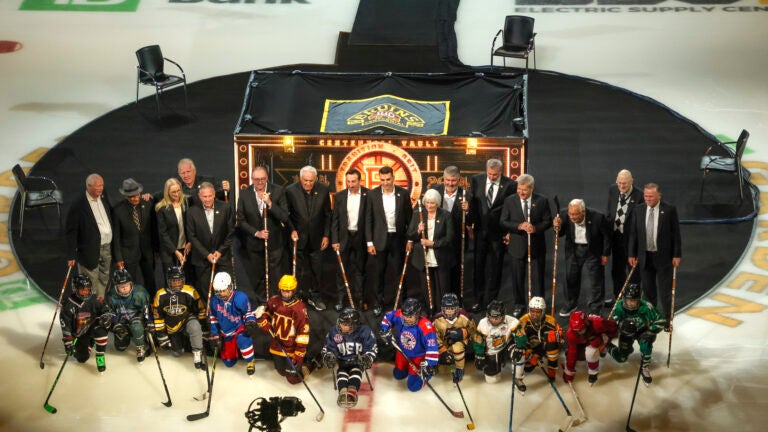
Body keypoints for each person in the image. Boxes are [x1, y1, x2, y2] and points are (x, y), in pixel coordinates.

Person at [627, 183, 681, 330]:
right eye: (646, 196)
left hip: (664, 258)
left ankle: (667, 321)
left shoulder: (669, 210)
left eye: (651, 196)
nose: (648, 199)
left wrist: (677, 254)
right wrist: (631, 253)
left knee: (665, 292)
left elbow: (676, 234)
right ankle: (651, 319)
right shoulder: (638, 210)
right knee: (649, 292)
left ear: (659, 196)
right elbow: (633, 234)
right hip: (645, 257)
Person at [466, 159, 516, 313]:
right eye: (490, 174)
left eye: (495, 175)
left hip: (498, 232)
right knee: (478, 268)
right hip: (480, 232)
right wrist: (469, 223)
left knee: (495, 269)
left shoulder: (510, 185)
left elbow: (511, 209)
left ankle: (492, 301)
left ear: (501, 172)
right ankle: (478, 300)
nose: (492, 177)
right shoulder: (476, 180)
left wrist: (509, 232)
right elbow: (473, 204)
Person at [236, 166, 289, 304]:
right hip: (254, 243)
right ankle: (261, 304)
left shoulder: (278, 191)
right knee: (258, 276)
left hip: (275, 243)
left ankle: (275, 303)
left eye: (263, 179)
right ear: (252, 179)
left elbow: (284, 216)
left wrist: (270, 203)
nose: (260, 182)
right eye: (257, 179)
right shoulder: (244, 194)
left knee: (275, 275)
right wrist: (256, 233)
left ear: (267, 178)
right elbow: (240, 221)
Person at [365, 165, 412, 316]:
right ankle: (378, 303)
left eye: (388, 179)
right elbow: (368, 220)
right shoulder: (372, 195)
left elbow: (410, 218)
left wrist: (410, 238)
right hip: (379, 240)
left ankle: (402, 303)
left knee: (400, 273)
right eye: (383, 179)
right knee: (378, 274)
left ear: (393, 178)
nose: (385, 182)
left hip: (398, 239)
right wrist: (369, 242)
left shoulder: (403, 194)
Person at [499, 173, 553, 306]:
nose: (521, 192)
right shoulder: (510, 200)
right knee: (517, 279)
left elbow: (547, 221)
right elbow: (503, 221)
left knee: (537, 279)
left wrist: (535, 228)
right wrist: (518, 226)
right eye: (519, 188)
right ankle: (519, 304)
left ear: (531, 188)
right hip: (516, 246)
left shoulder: (542, 201)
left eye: (524, 189)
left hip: (536, 247)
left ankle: (538, 306)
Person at [552, 199, 611, 317]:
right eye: (570, 214)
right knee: (570, 277)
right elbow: (560, 233)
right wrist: (556, 226)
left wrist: (605, 253)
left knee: (595, 279)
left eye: (575, 214)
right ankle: (571, 303)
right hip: (574, 250)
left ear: (583, 212)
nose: (571, 217)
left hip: (593, 250)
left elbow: (607, 236)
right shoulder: (563, 215)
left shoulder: (598, 217)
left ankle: (595, 307)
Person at [285, 166, 332, 311]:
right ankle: (295, 296)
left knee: (317, 270)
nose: (308, 184)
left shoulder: (323, 190)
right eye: (305, 180)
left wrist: (326, 235)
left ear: (316, 179)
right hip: (297, 239)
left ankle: (315, 296)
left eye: (311, 181)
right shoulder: (290, 190)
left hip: (317, 238)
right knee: (296, 270)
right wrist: (292, 230)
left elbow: (328, 215)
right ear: (300, 178)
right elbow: (286, 214)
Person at [255, 275, 311, 384]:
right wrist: (263, 321)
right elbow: (267, 314)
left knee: (294, 378)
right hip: (277, 345)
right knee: (281, 372)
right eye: (283, 291)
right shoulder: (274, 301)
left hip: (292, 348)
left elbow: (303, 332)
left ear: (294, 290)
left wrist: (299, 353)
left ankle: (311, 365)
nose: (286, 293)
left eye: (289, 291)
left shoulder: (299, 308)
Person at [406, 188, 454, 314]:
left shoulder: (446, 215)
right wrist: (418, 231)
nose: (429, 205)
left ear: (437, 203)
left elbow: (449, 238)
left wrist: (432, 243)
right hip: (423, 259)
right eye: (427, 202)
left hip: (441, 258)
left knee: (443, 288)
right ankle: (430, 311)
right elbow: (410, 235)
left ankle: (442, 312)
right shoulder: (418, 214)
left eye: (432, 203)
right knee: (427, 288)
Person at [66, 173, 113, 298]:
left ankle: (100, 304)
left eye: (102, 185)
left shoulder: (103, 196)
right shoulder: (78, 204)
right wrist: (71, 254)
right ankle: (90, 307)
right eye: (98, 186)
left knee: (104, 278)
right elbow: (72, 230)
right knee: (90, 282)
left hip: (106, 247)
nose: (101, 188)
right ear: (88, 186)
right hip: (89, 249)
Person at [186, 181, 234, 303]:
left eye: (209, 196)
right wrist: (206, 254)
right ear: (199, 196)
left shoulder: (226, 208)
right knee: (205, 291)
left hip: (222, 258)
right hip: (202, 260)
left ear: (214, 195)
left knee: (225, 290)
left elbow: (231, 233)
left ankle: (226, 314)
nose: (207, 199)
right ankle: (209, 318)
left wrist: (220, 251)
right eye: (204, 196)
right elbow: (192, 237)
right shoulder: (192, 212)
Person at [152, 265, 207, 370]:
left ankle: (197, 353)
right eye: (174, 281)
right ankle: (181, 342)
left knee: (195, 327)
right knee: (177, 353)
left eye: (179, 281)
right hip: (171, 326)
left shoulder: (190, 290)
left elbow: (200, 310)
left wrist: (203, 328)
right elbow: (157, 317)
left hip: (186, 320)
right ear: (168, 281)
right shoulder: (160, 294)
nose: (177, 284)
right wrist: (162, 336)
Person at [321, 308, 378, 408]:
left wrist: (368, 357)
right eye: (341, 323)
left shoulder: (364, 331)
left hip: (357, 361)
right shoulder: (334, 332)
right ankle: (342, 392)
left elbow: (371, 347)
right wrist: (329, 356)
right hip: (342, 361)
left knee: (356, 371)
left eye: (346, 325)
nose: (342, 326)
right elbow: (328, 347)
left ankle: (352, 391)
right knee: (341, 372)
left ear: (354, 325)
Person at [607, 283, 664, 384]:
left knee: (646, 345)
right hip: (626, 333)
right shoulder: (618, 306)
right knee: (621, 358)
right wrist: (621, 324)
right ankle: (607, 346)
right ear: (624, 298)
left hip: (642, 331)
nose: (630, 303)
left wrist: (651, 330)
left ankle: (645, 368)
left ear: (639, 299)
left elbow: (661, 320)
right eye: (628, 300)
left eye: (634, 300)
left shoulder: (647, 306)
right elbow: (613, 319)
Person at [380, 297, 439, 392]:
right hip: (402, 352)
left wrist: (429, 365)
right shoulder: (402, 314)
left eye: (410, 317)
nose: (406, 319)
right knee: (398, 375)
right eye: (405, 316)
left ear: (417, 314)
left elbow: (432, 347)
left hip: (418, 357)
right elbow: (388, 316)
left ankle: (428, 374)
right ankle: (407, 369)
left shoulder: (426, 326)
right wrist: (384, 329)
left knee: (413, 386)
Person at [331, 169, 369, 312]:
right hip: (343, 238)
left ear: (360, 181)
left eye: (354, 181)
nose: (351, 184)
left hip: (361, 238)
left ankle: (360, 300)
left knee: (360, 271)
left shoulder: (368, 194)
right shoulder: (340, 196)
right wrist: (334, 239)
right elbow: (334, 220)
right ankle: (341, 300)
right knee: (341, 271)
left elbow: (370, 219)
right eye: (348, 181)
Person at [112, 178, 157, 297]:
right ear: (126, 196)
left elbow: (153, 229)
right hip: (128, 253)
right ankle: (134, 307)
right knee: (131, 282)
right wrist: (119, 258)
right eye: (132, 196)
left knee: (150, 280)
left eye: (137, 195)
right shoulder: (118, 210)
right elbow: (115, 237)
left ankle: (152, 305)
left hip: (147, 251)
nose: (136, 198)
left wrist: (155, 249)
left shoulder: (148, 203)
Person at [59, 273, 114, 372]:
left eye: (87, 289)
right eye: (82, 289)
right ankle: (90, 343)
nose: (85, 292)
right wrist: (68, 343)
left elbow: (107, 310)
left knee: (101, 331)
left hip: (93, 327)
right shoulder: (68, 305)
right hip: (79, 334)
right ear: (75, 289)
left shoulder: (95, 299)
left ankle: (100, 355)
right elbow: (65, 325)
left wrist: (106, 318)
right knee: (82, 358)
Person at [429, 166, 468, 300]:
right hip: (437, 240)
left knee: (455, 273)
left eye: (453, 181)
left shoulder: (466, 195)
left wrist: (468, 210)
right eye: (447, 180)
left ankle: (455, 302)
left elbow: (474, 220)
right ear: (443, 178)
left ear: (459, 180)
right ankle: (438, 301)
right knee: (439, 274)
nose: (450, 183)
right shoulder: (434, 191)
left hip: (456, 241)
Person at [208, 272, 258, 376]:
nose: (222, 294)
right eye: (219, 291)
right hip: (226, 332)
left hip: (239, 328)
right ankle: (233, 355)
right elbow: (213, 318)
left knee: (243, 339)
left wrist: (250, 322)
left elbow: (248, 313)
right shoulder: (214, 301)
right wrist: (215, 334)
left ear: (230, 286)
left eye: (224, 290)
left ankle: (250, 361)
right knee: (229, 363)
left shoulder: (240, 297)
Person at [511, 296, 564, 392]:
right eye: (532, 311)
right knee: (527, 366)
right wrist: (531, 353)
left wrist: (555, 336)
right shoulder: (523, 320)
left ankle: (551, 375)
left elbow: (561, 335)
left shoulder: (550, 320)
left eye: (537, 311)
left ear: (543, 311)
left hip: (545, 347)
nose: (534, 314)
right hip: (530, 347)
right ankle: (519, 377)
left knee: (552, 344)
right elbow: (519, 339)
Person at [606, 169, 643, 304]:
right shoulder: (613, 190)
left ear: (631, 182)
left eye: (625, 184)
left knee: (633, 272)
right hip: (616, 237)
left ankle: (633, 300)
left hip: (631, 240)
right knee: (617, 270)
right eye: (620, 183)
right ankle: (618, 298)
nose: (622, 187)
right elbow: (610, 210)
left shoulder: (640, 196)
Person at [105, 268, 151, 362]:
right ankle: (127, 335)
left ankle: (140, 347)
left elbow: (147, 311)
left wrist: (149, 323)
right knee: (120, 348)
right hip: (122, 320)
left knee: (136, 327)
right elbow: (109, 313)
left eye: (127, 285)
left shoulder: (140, 293)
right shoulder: (111, 296)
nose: (125, 288)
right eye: (121, 286)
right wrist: (115, 325)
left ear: (131, 284)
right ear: (116, 287)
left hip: (137, 319)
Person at [563, 310, 617, 385]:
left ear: (587, 323)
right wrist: (569, 371)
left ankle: (593, 372)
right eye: (577, 331)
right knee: (574, 355)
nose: (579, 332)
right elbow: (572, 352)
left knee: (590, 352)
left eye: (581, 329)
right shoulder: (571, 334)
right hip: (585, 342)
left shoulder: (598, 323)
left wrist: (606, 341)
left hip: (598, 340)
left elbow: (614, 328)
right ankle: (599, 350)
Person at [156, 177, 193, 284]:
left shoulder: (187, 202)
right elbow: (163, 234)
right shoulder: (161, 208)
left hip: (185, 248)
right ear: (167, 192)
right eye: (173, 192)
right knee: (171, 279)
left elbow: (191, 224)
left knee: (187, 278)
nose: (177, 194)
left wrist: (190, 241)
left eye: (178, 190)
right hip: (169, 250)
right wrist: (175, 251)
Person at [472, 299, 518, 384]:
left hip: (506, 346)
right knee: (492, 381)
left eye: (497, 318)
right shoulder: (483, 323)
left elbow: (521, 336)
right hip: (491, 352)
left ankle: (519, 378)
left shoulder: (512, 321)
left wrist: (520, 347)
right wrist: (479, 356)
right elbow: (478, 342)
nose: (494, 320)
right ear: (487, 315)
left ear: (503, 316)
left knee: (519, 353)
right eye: (491, 317)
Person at [433, 293, 475, 383]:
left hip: (459, 342)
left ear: (457, 308)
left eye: (452, 308)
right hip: (444, 343)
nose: (449, 311)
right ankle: (446, 361)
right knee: (443, 371)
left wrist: (463, 333)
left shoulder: (464, 316)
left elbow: (473, 332)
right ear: (442, 308)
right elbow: (433, 336)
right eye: (447, 308)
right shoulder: (437, 319)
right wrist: (442, 351)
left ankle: (460, 368)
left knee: (457, 348)